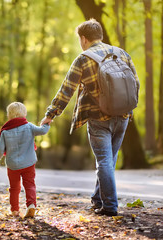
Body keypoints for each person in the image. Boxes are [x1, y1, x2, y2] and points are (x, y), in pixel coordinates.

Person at [40, 19, 139, 217]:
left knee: (103, 161)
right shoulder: (121, 54)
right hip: (123, 115)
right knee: (108, 160)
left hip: (98, 117)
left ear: (84, 39)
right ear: (99, 36)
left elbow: (66, 90)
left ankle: (110, 206)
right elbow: (135, 84)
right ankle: (97, 199)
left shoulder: (83, 58)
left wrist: (50, 114)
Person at [0, 102, 50, 218]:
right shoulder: (29, 126)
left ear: (9, 115)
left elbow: (0, 148)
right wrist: (46, 123)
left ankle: (15, 210)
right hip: (28, 163)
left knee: (14, 188)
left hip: (13, 165)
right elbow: (42, 131)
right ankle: (31, 205)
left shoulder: (5, 131)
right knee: (30, 185)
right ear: (24, 114)